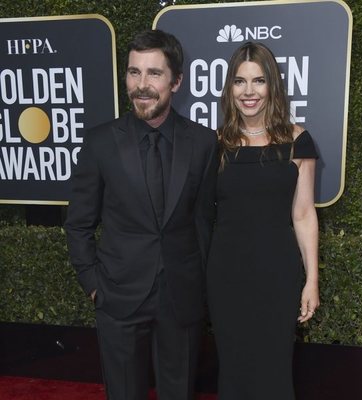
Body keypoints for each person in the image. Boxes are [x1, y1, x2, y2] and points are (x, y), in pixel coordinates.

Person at [64, 29, 218, 400]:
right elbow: (79, 222)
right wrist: (93, 285)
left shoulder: (203, 142)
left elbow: (204, 222)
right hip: (116, 294)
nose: (142, 85)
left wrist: (201, 286)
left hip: (181, 296)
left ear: (176, 81)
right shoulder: (101, 141)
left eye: (154, 74)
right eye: (134, 73)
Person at [206, 41, 320, 400]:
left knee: (274, 368)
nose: (249, 91)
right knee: (234, 368)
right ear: (230, 89)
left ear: (272, 85)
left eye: (258, 81)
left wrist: (312, 280)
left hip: (277, 275)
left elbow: (302, 214)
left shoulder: (297, 141)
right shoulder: (215, 144)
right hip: (226, 275)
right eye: (240, 82)